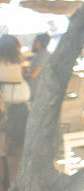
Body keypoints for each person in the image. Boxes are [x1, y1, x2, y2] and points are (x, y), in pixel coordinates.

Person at [0, 35, 30, 190]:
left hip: (4, 111)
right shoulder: (17, 62)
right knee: (15, 153)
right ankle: (13, 185)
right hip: (19, 111)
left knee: (2, 154)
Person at [23, 33, 51, 100]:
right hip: (35, 89)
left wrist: (22, 77)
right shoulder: (39, 55)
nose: (33, 43)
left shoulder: (43, 55)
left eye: (35, 41)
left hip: (35, 90)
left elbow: (33, 75)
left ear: (40, 43)